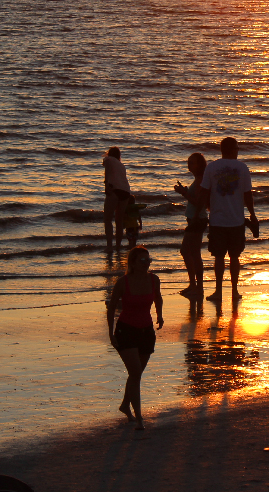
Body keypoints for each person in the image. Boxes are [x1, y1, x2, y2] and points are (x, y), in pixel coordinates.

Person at [106, 246, 163, 430]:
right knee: (136, 373)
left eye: (149, 260)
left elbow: (158, 298)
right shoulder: (123, 282)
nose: (147, 264)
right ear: (132, 263)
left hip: (146, 331)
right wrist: (110, 333)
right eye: (143, 261)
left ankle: (125, 406)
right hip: (126, 331)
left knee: (135, 374)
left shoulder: (154, 280)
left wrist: (160, 315)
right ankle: (139, 417)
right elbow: (112, 307)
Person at [199, 137, 259, 302]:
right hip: (236, 220)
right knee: (234, 257)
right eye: (237, 148)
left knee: (218, 257)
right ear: (232, 150)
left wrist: (200, 211)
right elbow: (248, 194)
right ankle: (234, 291)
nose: (238, 151)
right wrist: (252, 214)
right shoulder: (242, 167)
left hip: (217, 220)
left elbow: (204, 192)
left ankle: (218, 291)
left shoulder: (211, 167)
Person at [174, 152, 209, 300]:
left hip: (197, 220)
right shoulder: (198, 179)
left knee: (193, 253)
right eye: (188, 162)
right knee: (188, 252)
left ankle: (198, 287)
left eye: (192, 163)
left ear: (200, 165)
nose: (189, 165)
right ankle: (193, 285)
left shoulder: (201, 180)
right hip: (194, 220)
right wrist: (187, 192)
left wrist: (184, 193)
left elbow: (198, 202)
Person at [103, 147, 132, 252]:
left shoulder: (108, 159)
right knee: (119, 221)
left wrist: (106, 184)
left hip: (114, 189)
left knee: (107, 219)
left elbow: (107, 171)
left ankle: (109, 246)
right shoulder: (121, 165)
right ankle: (118, 246)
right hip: (126, 192)